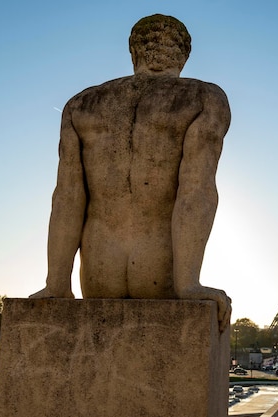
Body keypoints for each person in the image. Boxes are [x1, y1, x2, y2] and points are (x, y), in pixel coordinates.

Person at [30, 14, 231, 332]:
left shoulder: (81, 105)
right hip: (161, 269)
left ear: (134, 52)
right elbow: (197, 191)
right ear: (183, 56)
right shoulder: (204, 99)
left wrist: (56, 284)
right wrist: (189, 285)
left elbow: (66, 198)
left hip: (99, 270)